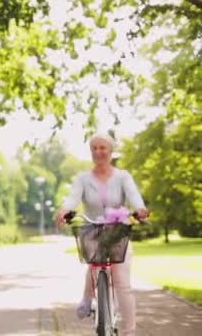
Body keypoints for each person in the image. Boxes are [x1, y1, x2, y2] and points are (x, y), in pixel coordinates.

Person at [55, 133, 149, 336]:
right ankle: (88, 299)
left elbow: (134, 196)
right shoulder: (83, 178)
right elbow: (72, 199)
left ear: (111, 151)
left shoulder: (123, 176)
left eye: (102, 148)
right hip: (93, 230)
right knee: (94, 265)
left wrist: (140, 209)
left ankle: (129, 332)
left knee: (122, 282)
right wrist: (64, 211)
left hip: (118, 232)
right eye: (94, 148)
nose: (98, 152)